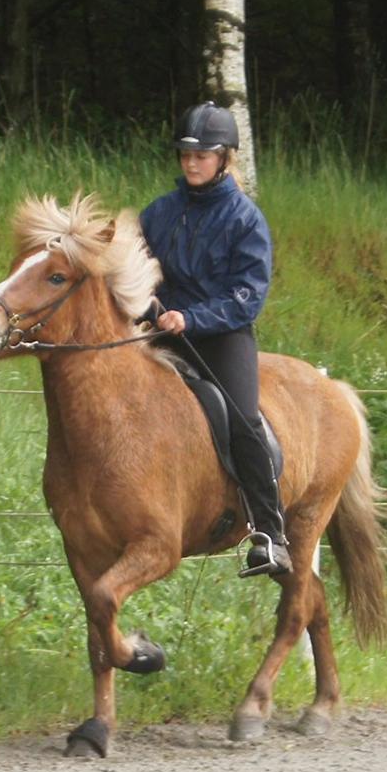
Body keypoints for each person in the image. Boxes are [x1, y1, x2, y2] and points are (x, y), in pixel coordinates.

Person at [140, 101, 292, 578]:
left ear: (224, 158)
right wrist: (150, 307)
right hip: (161, 330)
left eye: (203, 154)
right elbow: (136, 272)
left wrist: (193, 318)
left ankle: (271, 534)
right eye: (186, 153)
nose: (191, 162)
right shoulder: (159, 213)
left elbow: (247, 295)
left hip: (222, 336)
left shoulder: (245, 219)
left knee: (244, 420)